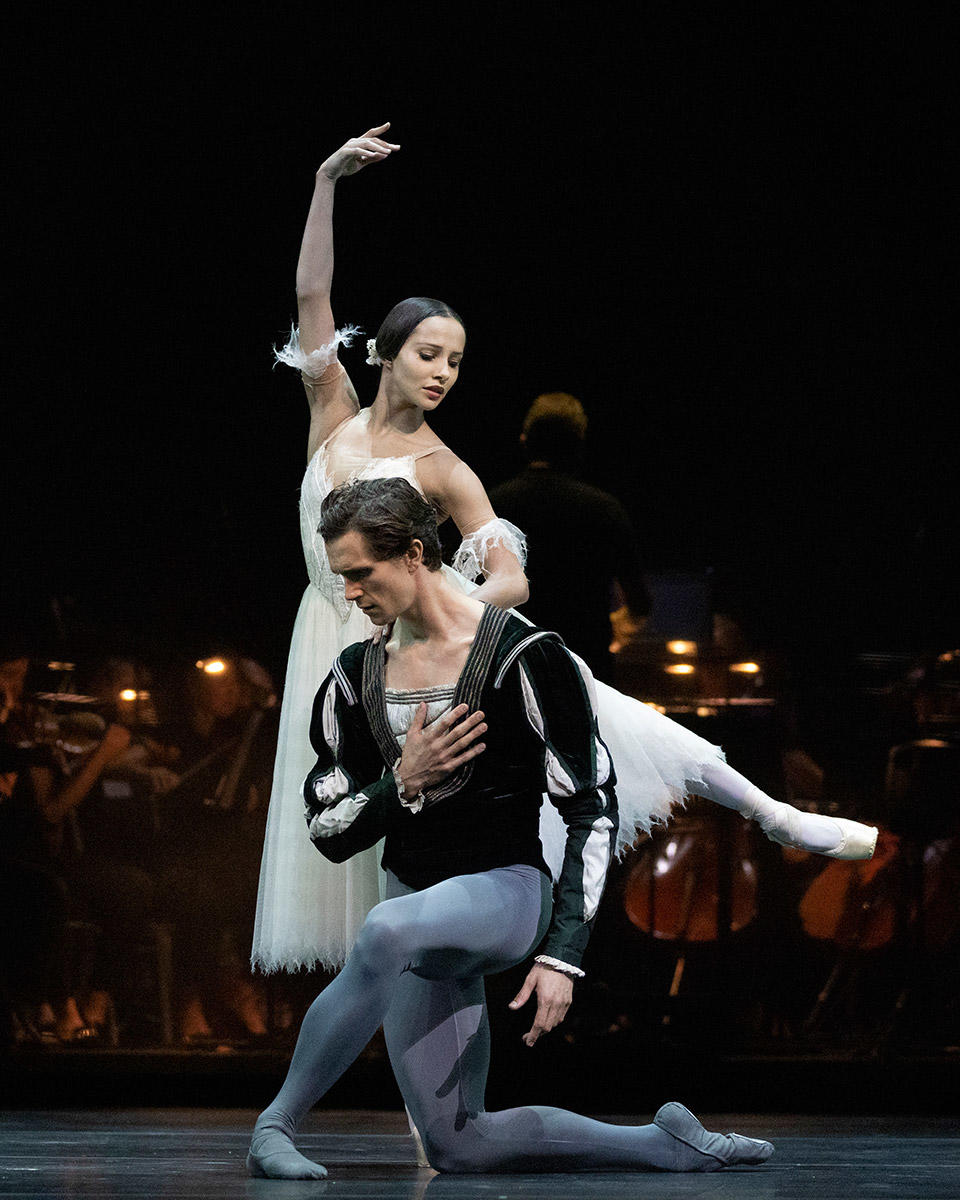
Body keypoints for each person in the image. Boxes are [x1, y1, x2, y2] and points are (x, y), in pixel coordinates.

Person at [253, 123, 878, 981]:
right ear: (389, 354)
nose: (442, 373)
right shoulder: (332, 412)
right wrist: (326, 180)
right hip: (327, 646)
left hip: (411, 647)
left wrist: (474, 609)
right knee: (370, 857)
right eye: (429, 355)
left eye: (457, 363)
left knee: (589, 703)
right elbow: (312, 294)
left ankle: (772, 811)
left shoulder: (447, 469)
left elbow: (508, 569)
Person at [248, 477, 775, 1178]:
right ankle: (661, 1143)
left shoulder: (526, 656)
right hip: (416, 919)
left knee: (382, 927)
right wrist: (398, 783)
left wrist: (563, 953)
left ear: (412, 554)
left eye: (358, 574)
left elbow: (590, 804)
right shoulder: (354, 675)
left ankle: (273, 1126)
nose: (348, 593)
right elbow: (328, 828)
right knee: (457, 1145)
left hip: (504, 894)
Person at [490, 391, 648, 681]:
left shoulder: (492, 507)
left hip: (511, 667)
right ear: (579, 445)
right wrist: (614, 626)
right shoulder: (605, 509)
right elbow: (640, 603)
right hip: (587, 669)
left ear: (525, 441)